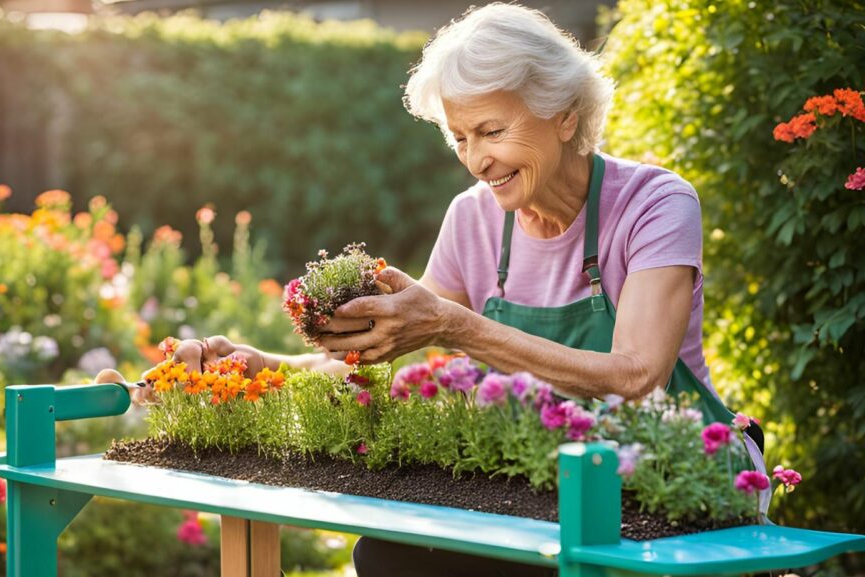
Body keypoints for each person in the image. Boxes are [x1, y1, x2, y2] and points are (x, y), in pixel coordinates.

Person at [97, 4, 767, 575]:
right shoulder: (474, 218)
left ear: (564, 115)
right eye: (461, 137)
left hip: (677, 480)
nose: (478, 159)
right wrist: (264, 366)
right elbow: (404, 343)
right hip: (548, 482)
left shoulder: (653, 204)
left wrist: (457, 326)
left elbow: (638, 374)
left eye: (494, 131)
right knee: (392, 555)